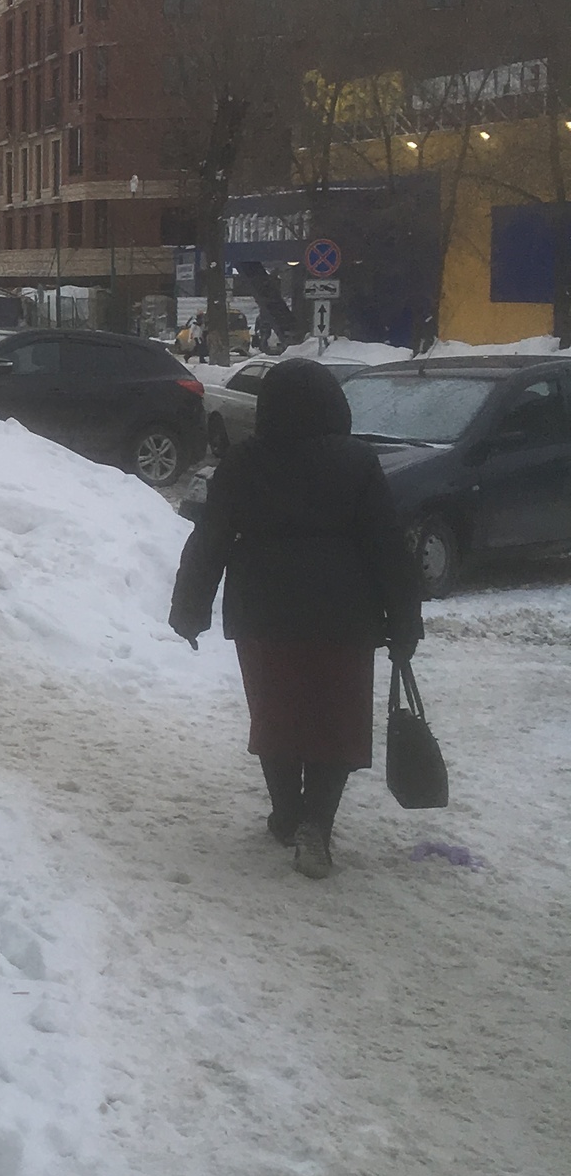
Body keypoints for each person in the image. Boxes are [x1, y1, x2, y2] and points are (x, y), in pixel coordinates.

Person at [170, 355, 422, 881]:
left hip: (264, 612)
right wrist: (403, 623)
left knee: (278, 715)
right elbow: (388, 549)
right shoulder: (358, 462)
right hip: (344, 615)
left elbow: (210, 538)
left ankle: (286, 815)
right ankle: (317, 826)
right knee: (336, 721)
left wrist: (189, 609)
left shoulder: (243, 461)